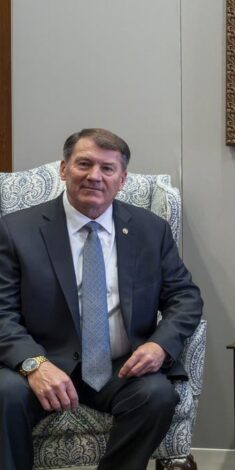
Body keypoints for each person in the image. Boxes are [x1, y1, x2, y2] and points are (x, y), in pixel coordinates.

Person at [0, 128, 203, 470]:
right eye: (84, 164)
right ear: (64, 169)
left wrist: (159, 345)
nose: (95, 176)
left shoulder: (150, 230)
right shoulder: (16, 229)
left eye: (107, 169)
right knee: (5, 394)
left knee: (157, 396)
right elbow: (2, 312)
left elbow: (185, 297)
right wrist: (34, 364)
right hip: (43, 361)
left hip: (119, 366)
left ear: (121, 179)